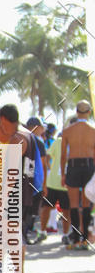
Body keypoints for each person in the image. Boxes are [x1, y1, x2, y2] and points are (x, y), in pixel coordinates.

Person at [0, 104, 36, 273]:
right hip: (26, 193)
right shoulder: (28, 134)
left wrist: (2, 199)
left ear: (3, 119)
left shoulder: (16, 139)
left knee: (13, 239)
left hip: (14, 196)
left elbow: (10, 174)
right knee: (16, 238)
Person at [61, 100, 95, 250]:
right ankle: (85, 239)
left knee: (73, 204)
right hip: (89, 166)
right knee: (86, 204)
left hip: (73, 166)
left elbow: (63, 156)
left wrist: (62, 173)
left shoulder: (68, 131)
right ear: (89, 112)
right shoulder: (93, 129)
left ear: (76, 112)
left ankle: (75, 238)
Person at [39, 124, 70, 244]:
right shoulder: (59, 141)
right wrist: (50, 169)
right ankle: (42, 232)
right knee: (46, 208)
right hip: (53, 182)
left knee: (66, 210)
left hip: (68, 184)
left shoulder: (76, 144)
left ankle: (66, 235)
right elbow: (47, 156)